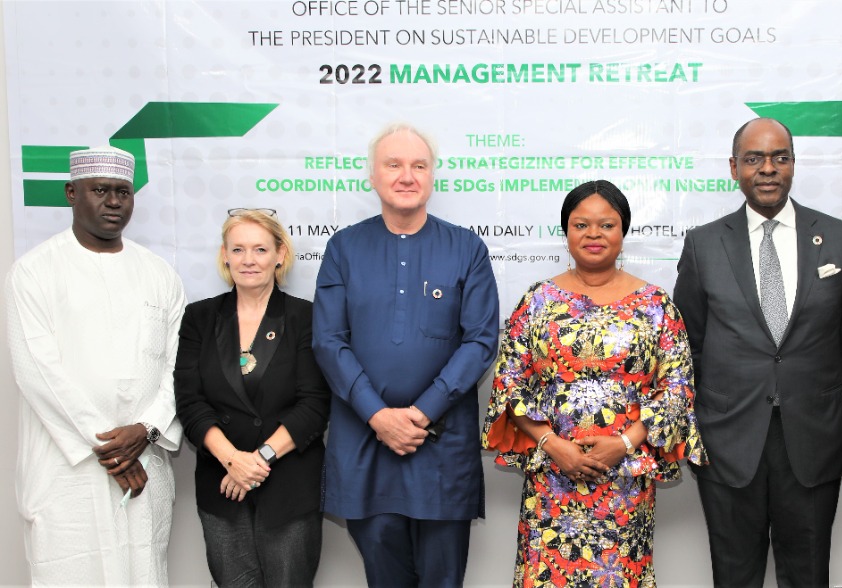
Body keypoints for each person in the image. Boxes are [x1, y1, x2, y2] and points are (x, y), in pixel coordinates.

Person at [673, 117, 842, 588]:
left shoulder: (840, 237)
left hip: (810, 433)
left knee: (807, 573)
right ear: (733, 167)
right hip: (729, 437)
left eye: (779, 157)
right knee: (734, 574)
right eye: (754, 158)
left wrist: (806, 386)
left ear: (793, 165)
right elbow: (690, 342)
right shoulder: (704, 243)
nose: (768, 168)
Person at [482, 179, 706, 587]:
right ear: (566, 231)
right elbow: (509, 385)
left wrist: (623, 444)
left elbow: (678, 388)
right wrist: (553, 445)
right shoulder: (537, 301)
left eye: (607, 225)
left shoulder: (656, 305)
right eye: (581, 224)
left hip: (625, 479)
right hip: (552, 474)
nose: (594, 235)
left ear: (624, 231)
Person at [312, 123, 500, 588]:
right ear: (372, 176)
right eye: (393, 164)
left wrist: (420, 413)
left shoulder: (467, 248)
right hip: (365, 441)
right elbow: (328, 341)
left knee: (443, 579)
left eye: (419, 165)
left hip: (439, 444)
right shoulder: (344, 248)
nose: (406, 176)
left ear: (433, 176)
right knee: (383, 576)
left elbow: (480, 341)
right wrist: (378, 416)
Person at [5, 146, 185, 585]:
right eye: (99, 190)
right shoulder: (34, 271)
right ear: (71, 193)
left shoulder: (159, 273)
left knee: (144, 571)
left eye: (123, 191)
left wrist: (147, 430)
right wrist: (111, 450)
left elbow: (180, 366)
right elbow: (37, 370)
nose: (113, 201)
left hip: (146, 458)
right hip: (69, 467)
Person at [174, 208, 331, 586]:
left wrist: (257, 461)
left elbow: (314, 404)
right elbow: (190, 402)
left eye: (260, 250)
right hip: (222, 484)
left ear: (280, 255)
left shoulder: (306, 317)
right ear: (224, 255)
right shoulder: (199, 317)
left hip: (289, 485)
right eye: (238, 249)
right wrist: (232, 461)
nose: (248, 260)